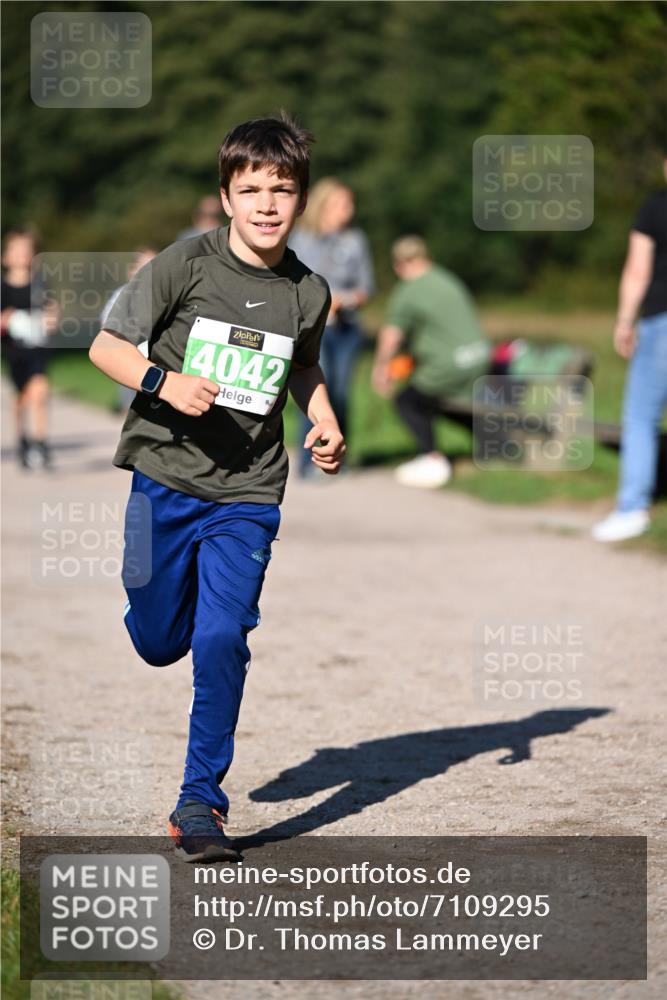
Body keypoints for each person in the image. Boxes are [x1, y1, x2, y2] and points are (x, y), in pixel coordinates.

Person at [88, 113, 345, 862]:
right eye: (251, 189)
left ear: (300, 199)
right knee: (163, 640)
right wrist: (164, 382)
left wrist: (322, 418)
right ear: (227, 196)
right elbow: (106, 344)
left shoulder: (308, 291)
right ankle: (157, 616)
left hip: (249, 489)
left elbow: (304, 367)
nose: (267, 204)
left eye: (282, 190)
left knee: (222, 635)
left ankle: (199, 801)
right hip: (162, 479)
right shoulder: (186, 265)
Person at [372, 236, 490, 488]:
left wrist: (382, 368)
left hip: (450, 366)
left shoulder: (409, 290)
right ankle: (493, 441)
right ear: (427, 257)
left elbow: (392, 334)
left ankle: (431, 457)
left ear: (398, 266)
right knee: (443, 401)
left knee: (408, 401)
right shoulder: (447, 279)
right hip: (480, 358)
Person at [592, 161, 667, 542]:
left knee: (640, 417)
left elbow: (638, 270)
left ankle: (632, 508)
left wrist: (624, 320)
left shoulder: (656, 206)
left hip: (661, 324)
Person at [290, 179, 374, 475]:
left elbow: (366, 288)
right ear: (324, 205)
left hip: (348, 329)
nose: (349, 211)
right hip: (314, 329)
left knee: (340, 393)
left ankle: (338, 457)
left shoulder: (355, 241)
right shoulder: (300, 239)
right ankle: (307, 462)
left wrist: (344, 300)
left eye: (350, 205)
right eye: (343, 204)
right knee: (314, 390)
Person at [1, 229, 59, 469]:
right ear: (6, 256)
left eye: (27, 251)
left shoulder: (40, 284)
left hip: (38, 347)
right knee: (22, 397)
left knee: (40, 390)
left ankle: (41, 442)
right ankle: (23, 438)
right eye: (17, 250)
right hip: (14, 349)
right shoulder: (3, 287)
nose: (22, 255)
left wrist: (51, 320)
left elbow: (52, 310)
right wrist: (8, 319)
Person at [100, 246, 158, 413]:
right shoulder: (123, 294)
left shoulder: (164, 295)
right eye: (143, 266)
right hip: (129, 355)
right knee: (132, 402)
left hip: (155, 358)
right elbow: (107, 322)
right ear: (132, 271)